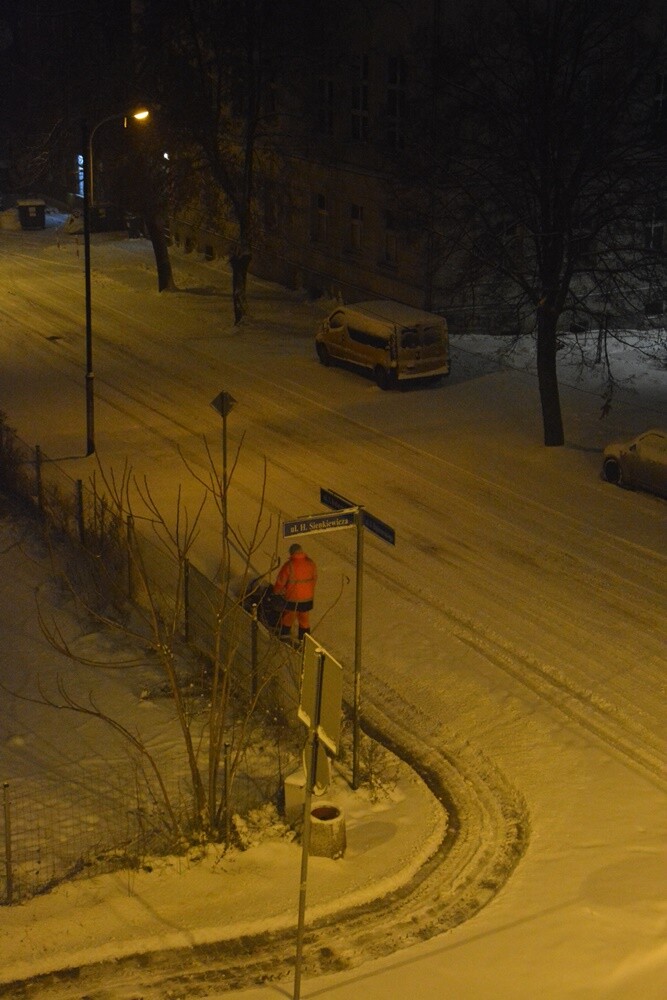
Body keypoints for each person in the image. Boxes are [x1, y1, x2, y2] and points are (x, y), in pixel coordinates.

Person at [273, 542, 317, 642]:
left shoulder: (289, 565)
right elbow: (314, 579)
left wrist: (276, 592)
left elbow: (280, 581)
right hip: (307, 598)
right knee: (304, 620)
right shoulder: (311, 563)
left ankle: (284, 637)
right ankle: (304, 640)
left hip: (292, 597)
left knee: (288, 617)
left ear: (291, 553)